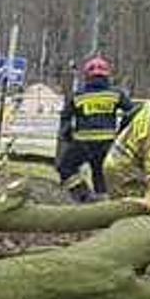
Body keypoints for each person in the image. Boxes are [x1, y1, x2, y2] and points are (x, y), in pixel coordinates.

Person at [56, 56, 134, 201]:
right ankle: (100, 203)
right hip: (107, 143)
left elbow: (66, 117)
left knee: (65, 168)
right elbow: (132, 112)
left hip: (82, 143)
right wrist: (122, 130)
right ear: (107, 75)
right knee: (100, 175)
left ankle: (83, 195)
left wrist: (67, 134)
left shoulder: (78, 96)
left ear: (86, 76)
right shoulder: (115, 94)